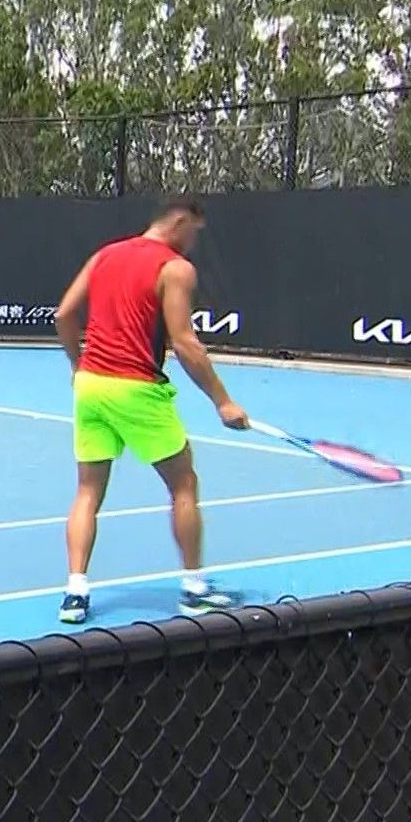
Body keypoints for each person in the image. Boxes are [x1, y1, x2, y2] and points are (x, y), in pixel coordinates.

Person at [51, 195, 249, 625]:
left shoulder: (105, 255)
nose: (194, 243)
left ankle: (75, 592)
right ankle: (195, 590)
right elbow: (185, 343)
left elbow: (63, 315)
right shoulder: (175, 269)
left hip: (90, 387)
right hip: (137, 389)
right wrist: (223, 401)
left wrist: (77, 366)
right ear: (179, 222)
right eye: (194, 233)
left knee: (88, 492)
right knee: (184, 484)